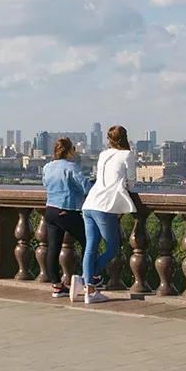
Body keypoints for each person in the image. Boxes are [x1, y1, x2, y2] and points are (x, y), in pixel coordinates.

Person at [77, 125, 136, 305]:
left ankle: (88, 287)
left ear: (109, 140)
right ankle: (85, 283)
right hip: (105, 206)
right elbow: (131, 181)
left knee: (90, 248)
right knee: (112, 249)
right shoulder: (127, 155)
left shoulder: (103, 154)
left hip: (89, 204)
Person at [41, 137, 92, 298]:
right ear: (70, 151)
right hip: (66, 210)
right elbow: (85, 187)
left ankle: (57, 286)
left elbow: (45, 184)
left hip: (50, 210)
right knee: (88, 241)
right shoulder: (71, 167)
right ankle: (89, 277)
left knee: (53, 248)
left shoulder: (48, 167)